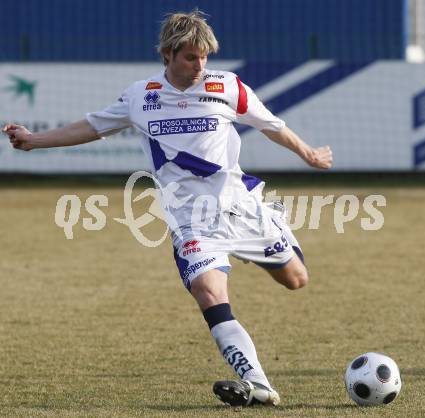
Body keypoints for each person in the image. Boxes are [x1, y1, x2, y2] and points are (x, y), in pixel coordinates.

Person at [3, 10, 332, 407]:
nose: (200, 65)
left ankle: (274, 218)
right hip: (190, 221)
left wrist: (308, 153)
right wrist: (34, 140)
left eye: (205, 57)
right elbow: (91, 126)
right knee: (208, 292)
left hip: (241, 208)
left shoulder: (227, 87)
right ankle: (257, 382)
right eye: (191, 57)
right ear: (167, 55)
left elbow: (271, 125)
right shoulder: (141, 95)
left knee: (296, 279)